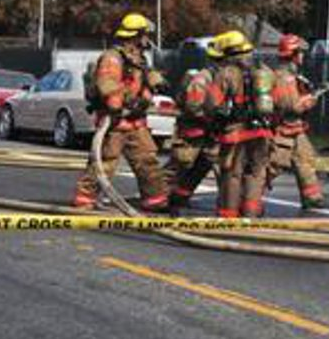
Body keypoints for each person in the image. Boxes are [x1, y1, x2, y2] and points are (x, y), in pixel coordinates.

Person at [72, 13, 169, 211]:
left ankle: (155, 200)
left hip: (135, 122)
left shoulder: (139, 59)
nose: (147, 39)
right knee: (104, 162)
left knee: (147, 161)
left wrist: (155, 84)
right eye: (145, 34)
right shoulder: (112, 58)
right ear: (136, 35)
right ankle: (85, 199)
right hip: (115, 122)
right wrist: (122, 106)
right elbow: (107, 87)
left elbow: (142, 80)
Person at [212, 30, 275, 218]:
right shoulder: (264, 71)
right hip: (261, 131)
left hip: (235, 133)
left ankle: (229, 214)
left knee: (232, 174)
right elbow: (276, 101)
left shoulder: (225, 74)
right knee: (256, 173)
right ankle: (251, 211)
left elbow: (212, 103)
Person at [268, 33, 328, 210]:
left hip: (295, 128)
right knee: (274, 164)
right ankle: (248, 195)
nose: (302, 56)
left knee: (305, 159)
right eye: (300, 52)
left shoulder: (292, 76)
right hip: (282, 129)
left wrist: (311, 93)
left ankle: (312, 198)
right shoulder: (283, 78)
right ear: (293, 54)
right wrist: (311, 99)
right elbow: (292, 107)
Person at [164, 36, 225, 209]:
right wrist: (211, 119)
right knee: (180, 164)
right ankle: (160, 196)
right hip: (193, 131)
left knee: (207, 164)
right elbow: (193, 107)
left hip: (211, 132)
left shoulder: (220, 79)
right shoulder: (201, 79)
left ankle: (181, 197)